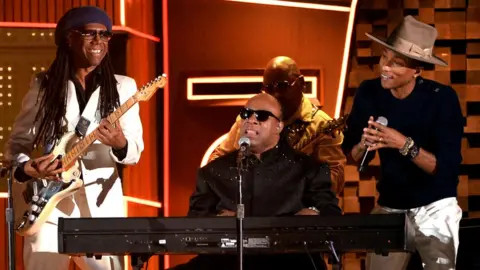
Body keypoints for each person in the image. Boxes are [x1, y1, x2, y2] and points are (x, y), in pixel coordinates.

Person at [4, 6, 144, 270]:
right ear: (69, 38)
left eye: (105, 35)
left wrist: (121, 144)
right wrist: (26, 167)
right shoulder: (45, 86)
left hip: (101, 207)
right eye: (90, 34)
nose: (99, 42)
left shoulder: (123, 87)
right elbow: (17, 143)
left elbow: (136, 151)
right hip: (49, 207)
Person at [341, 15, 463, 270]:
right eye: (384, 57)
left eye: (396, 63)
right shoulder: (369, 92)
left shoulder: (441, 99)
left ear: (417, 69)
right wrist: (364, 144)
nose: (385, 67)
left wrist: (404, 144)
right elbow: (352, 156)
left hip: (436, 205)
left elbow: (445, 170)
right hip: (391, 204)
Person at [171, 93, 341, 270]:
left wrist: (310, 217)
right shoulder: (213, 171)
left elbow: (331, 215)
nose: (251, 120)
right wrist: (218, 222)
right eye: (245, 114)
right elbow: (195, 223)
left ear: (279, 126)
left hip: (291, 262)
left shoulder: (308, 169)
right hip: (226, 262)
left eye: (262, 116)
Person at [208, 56, 346, 194]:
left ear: (302, 83)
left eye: (282, 86)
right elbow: (218, 159)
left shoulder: (322, 126)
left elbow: (335, 179)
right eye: (268, 88)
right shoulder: (250, 119)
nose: (275, 95)